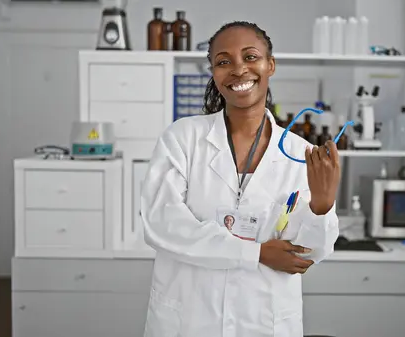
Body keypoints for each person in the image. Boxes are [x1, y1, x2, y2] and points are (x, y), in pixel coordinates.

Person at [140, 20, 340, 337]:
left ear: (269, 65)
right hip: (190, 320)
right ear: (213, 72)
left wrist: (322, 205)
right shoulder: (183, 138)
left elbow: (308, 254)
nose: (238, 69)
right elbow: (162, 222)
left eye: (250, 57)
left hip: (263, 321)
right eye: (223, 61)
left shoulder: (300, 153)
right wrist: (256, 253)